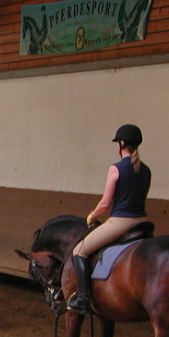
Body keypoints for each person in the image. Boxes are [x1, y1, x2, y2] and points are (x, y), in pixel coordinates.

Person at [68, 123, 152, 314]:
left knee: (79, 251)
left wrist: (93, 215)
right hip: (142, 223)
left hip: (121, 222)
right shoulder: (146, 170)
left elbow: (106, 203)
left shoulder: (116, 168)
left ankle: (83, 298)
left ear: (121, 144)